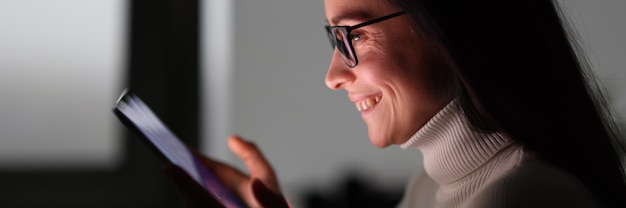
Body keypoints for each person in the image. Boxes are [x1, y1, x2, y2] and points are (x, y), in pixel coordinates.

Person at [164, 0, 626, 207]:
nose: (332, 77)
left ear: (448, 25)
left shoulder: (517, 199)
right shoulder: (429, 189)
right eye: (333, 38)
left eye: (353, 35)